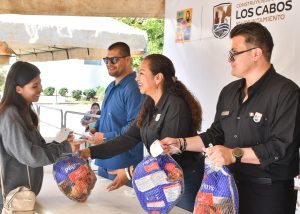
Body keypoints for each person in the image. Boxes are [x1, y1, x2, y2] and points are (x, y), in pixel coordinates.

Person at [161, 22, 300, 214]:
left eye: (234, 53)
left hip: (268, 193)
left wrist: (233, 154)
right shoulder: (229, 92)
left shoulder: (287, 92)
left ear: (256, 53)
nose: (229, 59)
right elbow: (215, 135)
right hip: (226, 189)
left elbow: (282, 148)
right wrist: (180, 143)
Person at [80, 54, 204, 212]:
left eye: (142, 73)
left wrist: (129, 172)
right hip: (161, 178)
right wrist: (89, 152)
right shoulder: (150, 105)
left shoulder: (176, 105)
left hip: (184, 179)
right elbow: (128, 138)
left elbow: (168, 155)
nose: (136, 78)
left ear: (158, 77)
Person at [0, 61, 83, 211]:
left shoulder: (24, 111)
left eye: (40, 83)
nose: (41, 89)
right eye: (34, 86)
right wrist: (64, 148)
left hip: (24, 195)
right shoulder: (11, 116)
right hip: (13, 198)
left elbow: (39, 147)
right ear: (18, 89)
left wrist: (62, 143)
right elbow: (31, 156)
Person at [88, 42, 144, 181]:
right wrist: (95, 129)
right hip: (104, 159)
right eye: (106, 60)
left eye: (114, 59)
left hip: (123, 164)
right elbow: (106, 115)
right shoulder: (110, 86)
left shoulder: (134, 88)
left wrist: (105, 137)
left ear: (128, 60)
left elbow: (136, 127)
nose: (109, 63)